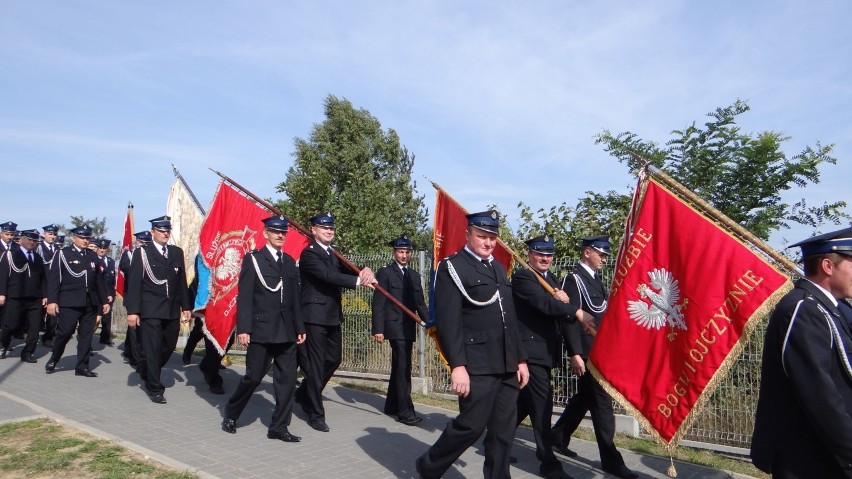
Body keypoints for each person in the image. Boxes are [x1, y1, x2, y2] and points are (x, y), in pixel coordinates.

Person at [416, 211, 529, 479]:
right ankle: (429, 466)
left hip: (506, 363)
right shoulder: (452, 267)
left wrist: (520, 359)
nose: (488, 242)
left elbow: (509, 319)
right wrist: (458, 366)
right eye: (482, 236)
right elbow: (449, 322)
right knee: (471, 426)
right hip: (476, 364)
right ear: (468, 235)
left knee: (503, 431)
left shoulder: (498, 267)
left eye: (492, 237)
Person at [751, 227, 852, 478]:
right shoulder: (802, 310)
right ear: (829, 266)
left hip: (830, 453)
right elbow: (820, 395)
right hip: (808, 457)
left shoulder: (836, 308)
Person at [550, 235, 637, 479]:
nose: (604, 259)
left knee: (585, 398)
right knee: (602, 404)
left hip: (600, 350)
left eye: (606, 254)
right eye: (601, 254)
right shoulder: (574, 279)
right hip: (587, 353)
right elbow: (569, 319)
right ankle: (611, 460)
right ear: (587, 252)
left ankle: (557, 436)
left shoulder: (594, 280)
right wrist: (575, 353)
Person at [512, 235, 595, 479]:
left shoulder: (552, 279)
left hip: (547, 352)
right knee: (543, 404)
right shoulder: (523, 277)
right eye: (540, 253)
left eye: (549, 254)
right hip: (530, 352)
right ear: (529, 254)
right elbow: (544, 305)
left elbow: (557, 312)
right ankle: (548, 463)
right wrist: (576, 310)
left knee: (524, 404)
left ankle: (498, 440)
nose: (545, 258)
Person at [221, 216, 306, 441]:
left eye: (283, 232)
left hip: (286, 331)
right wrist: (244, 329)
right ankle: (231, 413)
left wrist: (299, 326)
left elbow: (294, 299)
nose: (280, 235)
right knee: (253, 377)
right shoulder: (254, 260)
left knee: (287, 381)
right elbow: (245, 297)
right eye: (275, 231)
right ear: (265, 233)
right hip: (262, 330)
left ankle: (279, 427)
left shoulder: (289, 261)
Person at [294, 212, 376, 433]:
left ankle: (303, 393)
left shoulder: (335, 253)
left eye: (331, 228)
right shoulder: (309, 254)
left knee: (334, 359)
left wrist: (364, 270)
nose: (329, 231)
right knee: (316, 364)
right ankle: (314, 413)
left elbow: (350, 268)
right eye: (324, 228)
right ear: (313, 230)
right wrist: (359, 281)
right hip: (313, 316)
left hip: (331, 316)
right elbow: (329, 276)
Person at [124, 216, 191, 404]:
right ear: (153, 232)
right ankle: (154, 387)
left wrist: (186, 306)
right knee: (152, 348)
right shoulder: (142, 253)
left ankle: (147, 368)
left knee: (169, 345)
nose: (165, 234)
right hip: (150, 308)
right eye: (161, 231)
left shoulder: (176, 253)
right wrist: (133, 311)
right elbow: (135, 283)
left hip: (171, 308)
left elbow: (181, 283)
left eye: (167, 230)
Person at [371, 235, 429, 426]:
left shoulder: (413, 276)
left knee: (400, 366)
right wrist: (378, 329)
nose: (404, 255)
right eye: (401, 252)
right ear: (394, 252)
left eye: (407, 252)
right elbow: (379, 303)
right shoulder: (386, 272)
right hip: (394, 327)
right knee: (404, 367)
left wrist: (431, 323)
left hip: (408, 327)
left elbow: (420, 303)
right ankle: (405, 411)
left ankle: (391, 405)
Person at [44, 225, 110, 377]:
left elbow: (99, 280)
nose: (85, 241)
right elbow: (54, 279)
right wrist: (52, 301)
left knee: (87, 335)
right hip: (70, 301)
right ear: (74, 237)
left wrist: (104, 301)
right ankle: (55, 357)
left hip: (90, 302)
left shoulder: (93, 256)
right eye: (82, 238)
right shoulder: (63, 254)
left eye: (87, 238)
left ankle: (82, 366)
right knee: (65, 333)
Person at [0, 229, 47, 362]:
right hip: (16, 296)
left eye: (34, 240)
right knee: (10, 325)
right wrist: (2, 293)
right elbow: (3, 276)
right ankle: (3, 344)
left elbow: (43, 278)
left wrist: (45, 295)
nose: (32, 242)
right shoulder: (10, 255)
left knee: (34, 327)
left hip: (34, 298)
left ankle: (27, 353)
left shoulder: (37, 258)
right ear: (21, 240)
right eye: (29, 239)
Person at [120, 231, 150, 368]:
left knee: (140, 327)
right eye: (141, 243)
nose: (143, 245)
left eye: (146, 243)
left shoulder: (150, 255)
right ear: (136, 242)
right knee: (134, 328)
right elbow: (126, 268)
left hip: (146, 297)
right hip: (131, 295)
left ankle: (130, 350)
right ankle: (136, 358)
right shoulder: (129, 254)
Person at [37, 224, 59, 347]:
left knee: (53, 315)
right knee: (37, 316)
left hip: (53, 286)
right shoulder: (39, 248)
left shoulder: (58, 250)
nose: (53, 236)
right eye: (50, 234)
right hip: (40, 286)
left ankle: (48, 338)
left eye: (54, 234)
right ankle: (32, 335)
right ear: (44, 234)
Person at [94, 238, 117, 345]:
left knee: (107, 318)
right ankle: (86, 339)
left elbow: (111, 281)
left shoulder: (111, 262)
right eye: (100, 248)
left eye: (104, 248)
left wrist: (111, 294)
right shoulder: (93, 261)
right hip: (97, 295)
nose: (102, 250)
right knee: (95, 320)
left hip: (109, 294)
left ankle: (105, 337)